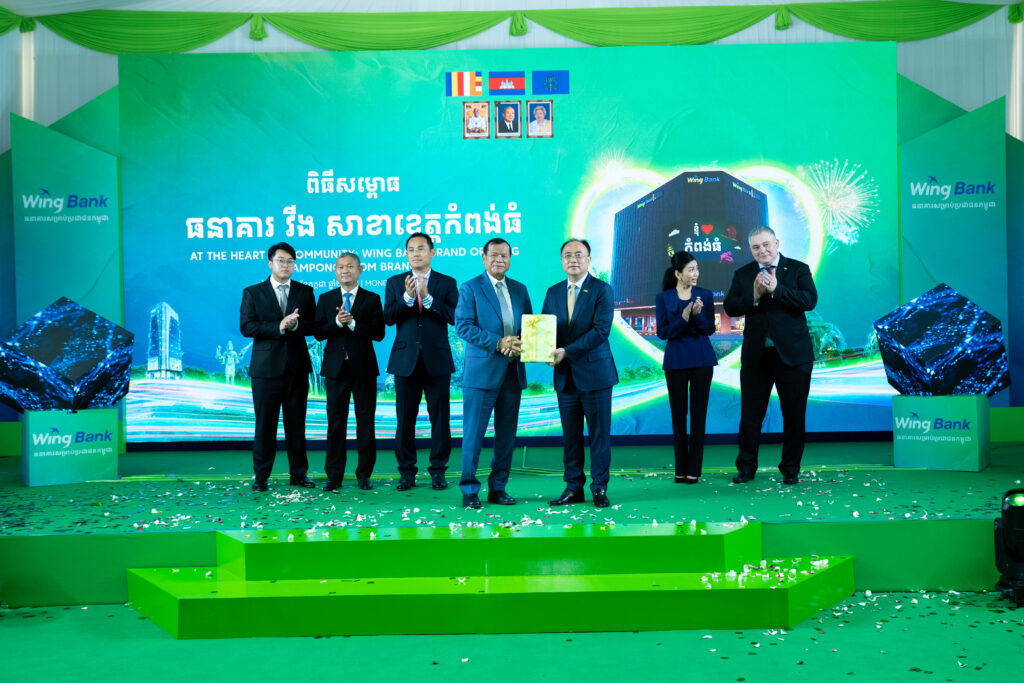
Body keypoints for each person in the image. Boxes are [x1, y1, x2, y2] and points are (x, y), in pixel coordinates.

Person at [723, 226, 817, 486]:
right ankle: (746, 467)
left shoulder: (798, 269)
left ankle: (790, 468)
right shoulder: (743, 274)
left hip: (794, 357)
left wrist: (777, 289)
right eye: (756, 247)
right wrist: (754, 295)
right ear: (750, 249)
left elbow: (809, 300)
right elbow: (730, 307)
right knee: (750, 416)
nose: (762, 251)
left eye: (766, 245)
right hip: (756, 357)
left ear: (776, 242)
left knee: (794, 415)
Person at [454, 238, 532, 509]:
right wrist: (498, 342)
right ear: (484, 257)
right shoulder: (470, 288)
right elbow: (463, 326)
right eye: (494, 255)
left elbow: (530, 326)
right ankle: (469, 490)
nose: (500, 260)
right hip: (481, 374)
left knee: (506, 436)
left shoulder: (520, 289)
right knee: (473, 435)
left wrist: (532, 344)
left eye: (504, 256)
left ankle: (498, 488)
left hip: (513, 372)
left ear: (510, 259)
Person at [542, 238, 618, 508]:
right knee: (570, 437)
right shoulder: (553, 292)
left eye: (578, 254)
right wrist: (541, 348)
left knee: (599, 435)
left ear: (589, 260)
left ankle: (599, 487)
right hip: (565, 376)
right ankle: (573, 487)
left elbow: (601, 331)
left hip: (595, 374)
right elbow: (544, 328)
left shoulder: (602, 290)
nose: (572, 259)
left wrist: (566, 351)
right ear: (561, 260)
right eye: (567, 255)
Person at [384, 232, 459, 491]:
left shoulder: (446, 282)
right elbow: (389, 317)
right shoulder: (395, 282)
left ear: (432, 252)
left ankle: (438, 471)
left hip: (437, 360)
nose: (416, 253)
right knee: (405, 420)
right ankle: (407, 472)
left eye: (421, 248)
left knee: (440, 420)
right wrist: (407, 298)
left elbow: (454, 316)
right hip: (405, 361)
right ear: (406, 254)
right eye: (411, 249)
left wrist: (428, 299)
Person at [239, 242, 317, 491]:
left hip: (296, 368)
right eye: (281, 260)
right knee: (265, 425)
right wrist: (279, 326)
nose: (286, 265)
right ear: (270, 263)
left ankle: (299, 474)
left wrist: (296, 325)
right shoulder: (253, 292)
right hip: (265, 369)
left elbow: (314, 326)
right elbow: (247, 327)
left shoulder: (305, 292)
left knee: (297, 424)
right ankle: (261, 476)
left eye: (290, 261)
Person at [314, 253, 385, 492]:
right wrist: (336, 322)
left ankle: (364, 475)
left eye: (350, 266)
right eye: (341, 267)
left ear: (360, 270)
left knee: (365, 422)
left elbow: (379, 333)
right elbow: (318, 333)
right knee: (336, 422)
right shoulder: (325, 298)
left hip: (364, 369)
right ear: (335, 271)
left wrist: (352, 323)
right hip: (336, 370)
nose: (345, 270)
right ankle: (334, 476)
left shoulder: (372, 298)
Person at [656, 251, 717, 484]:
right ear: (678, 274)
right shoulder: (664, 298)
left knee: (699, 416)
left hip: (702, 360)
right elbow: (663, 333)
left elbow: (709, 329)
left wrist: (697, 316)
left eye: (697, 268)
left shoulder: (705, 295)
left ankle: (694, 470)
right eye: (691, 269)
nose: (696, 273)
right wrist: (683, 318)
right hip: (676, 361)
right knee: (678, 416)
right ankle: (680, 470)